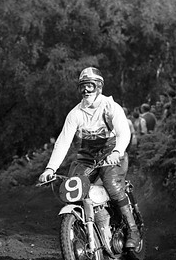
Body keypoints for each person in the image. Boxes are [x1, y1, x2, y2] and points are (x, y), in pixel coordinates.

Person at [38, 67, 140, 249]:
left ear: (99, 86)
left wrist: (117, 151)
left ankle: (133, 231)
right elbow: (62, 142)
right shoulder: (75, 113)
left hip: (112, 155)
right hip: (86, 159)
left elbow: (124, 132)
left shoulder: (110, 107)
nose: (85, 90)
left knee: (112, 186)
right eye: (82, 86)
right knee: (74, 190)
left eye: (90, 86)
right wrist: (50, 169)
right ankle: (86, 233)